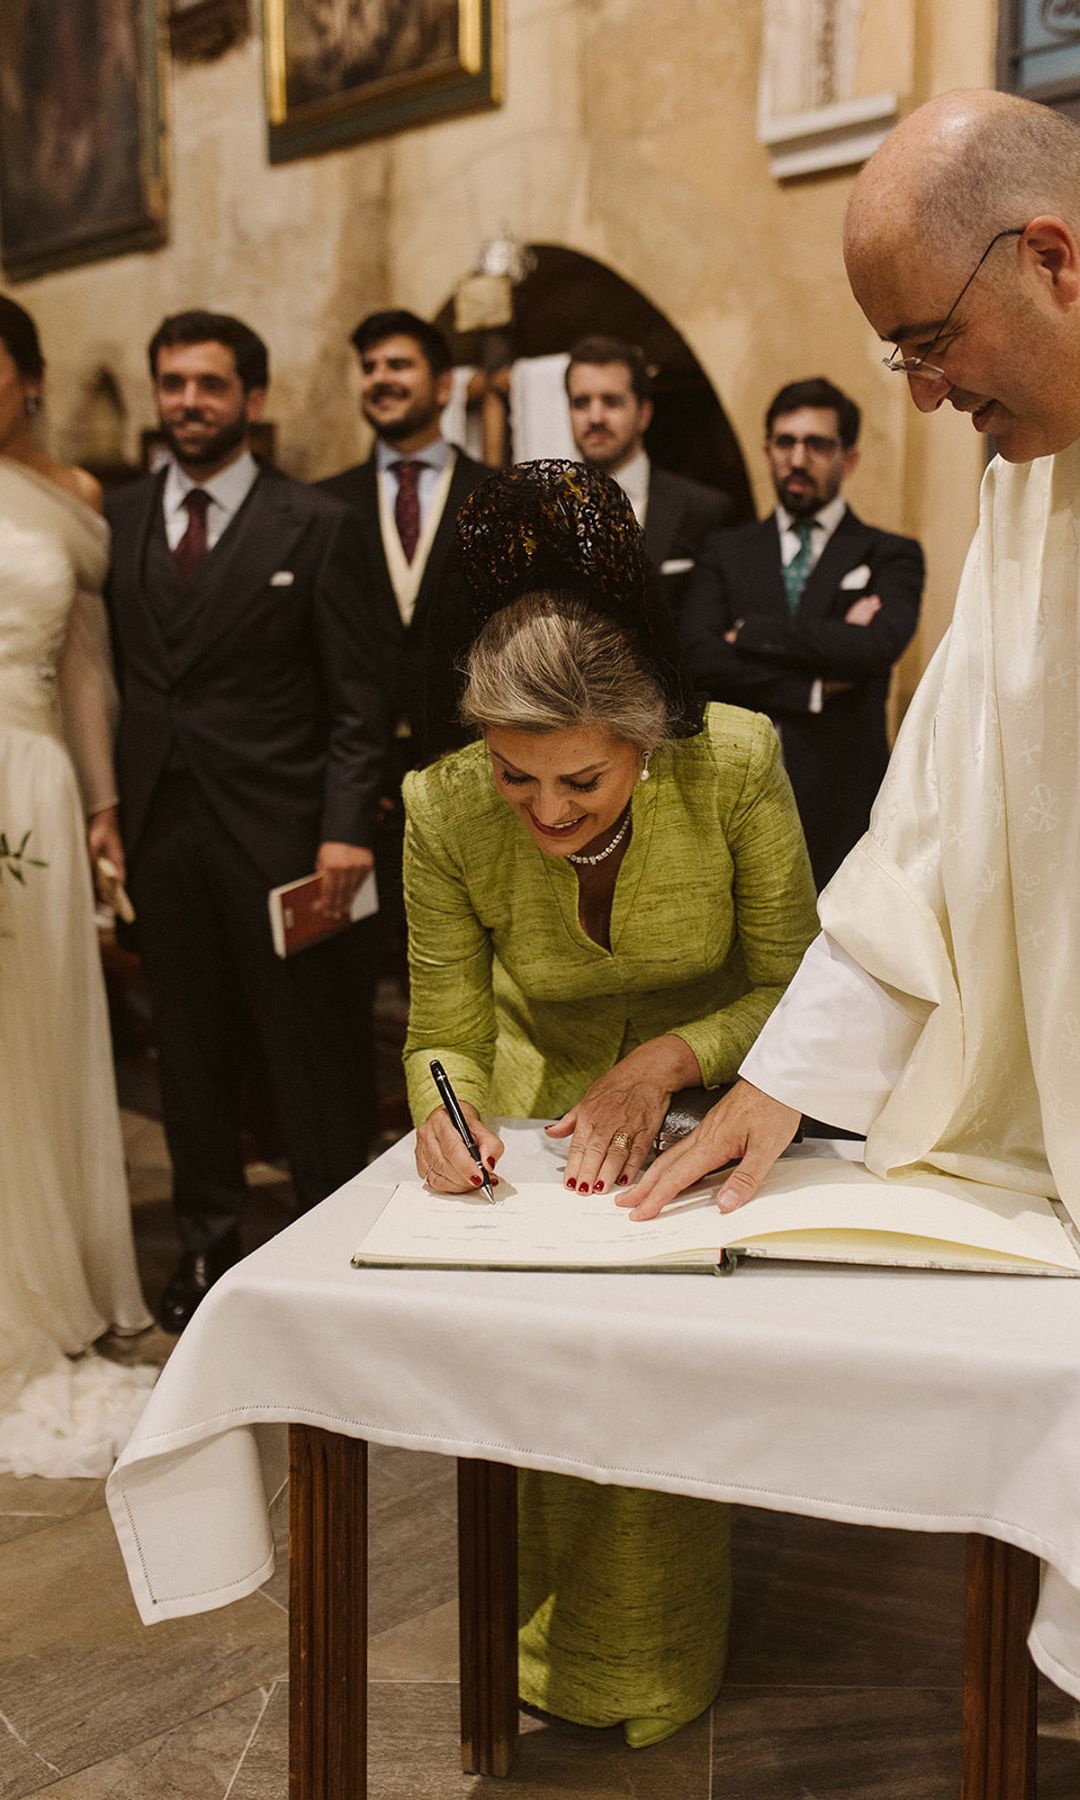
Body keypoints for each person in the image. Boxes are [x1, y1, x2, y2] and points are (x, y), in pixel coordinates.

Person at [402, 460, 818, 1744]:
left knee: (646, 1378)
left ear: (644, 736)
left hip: (716, 1104)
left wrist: (668, 1063)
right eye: (516, 777)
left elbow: (799, 987)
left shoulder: (736, 762)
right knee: (528, 1382)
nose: (545, 813)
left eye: (581, 780)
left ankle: (644, 1669)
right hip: (537, 1115)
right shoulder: (440, 806)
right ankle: (511, 1644)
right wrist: (446, 1111)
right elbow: (444, 1032)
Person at [629, 88, 1080, 1230]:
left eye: (933, 343)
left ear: (1052, 260)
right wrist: (785, 1074)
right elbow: (934, 820)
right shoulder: (1024, 488)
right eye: (903, 360)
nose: (928, 396)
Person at [105, 311, 393, 1331]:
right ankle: (206, 1244)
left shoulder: (314, 525)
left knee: (308, 1056)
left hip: (286, 838)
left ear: (252, 401)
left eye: (211, 384)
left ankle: (330, 1245)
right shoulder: (123, 515)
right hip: (164, 835)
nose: (189, 401)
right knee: (184, 1054)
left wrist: (346, 828)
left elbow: (360, 698)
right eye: (173, 382)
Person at [0, 293, 155, 1478]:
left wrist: (103, 807)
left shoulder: (74, 498)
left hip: (38, 781)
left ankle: (56, 1274)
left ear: (30, 378)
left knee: (39, 1036)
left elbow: (89, 670)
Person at [680, 377, 924, 887]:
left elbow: (874, 649)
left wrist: (749, 633)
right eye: (785, 441)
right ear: (768, 449)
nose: (798, 458)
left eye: (817, 444)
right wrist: (811, 686)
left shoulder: (889, 554)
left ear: (848, 458)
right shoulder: (727, 551)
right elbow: (698, 657)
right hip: (735, 795)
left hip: (846, 803)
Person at [318, 310, 488, 963]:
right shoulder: (321, 507)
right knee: (344, 985)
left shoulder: (497, 495)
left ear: (443, 386)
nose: (380, 379)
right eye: (370, 368)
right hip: (354, 798)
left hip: (467, 779)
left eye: (398, 365)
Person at [566, 334, 734, 611]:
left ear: (643, 414)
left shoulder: (704, 511)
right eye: (581, 403)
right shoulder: (546, 509)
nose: (595, 417)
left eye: (611, 402)